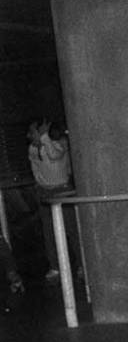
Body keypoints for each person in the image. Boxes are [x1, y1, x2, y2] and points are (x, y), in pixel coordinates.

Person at [26, 118, 77, 282]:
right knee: (49, 232)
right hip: (45, 192)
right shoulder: (33, 149)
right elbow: (36, 169)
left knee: (71, 229)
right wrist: (40, 185)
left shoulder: (60, 143)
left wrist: (44, 138)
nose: (29, 136)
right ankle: (55, 266)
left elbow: (54, 156)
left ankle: (82, 264)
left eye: (33, 132)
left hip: (62, 190)